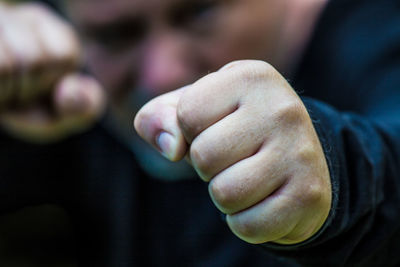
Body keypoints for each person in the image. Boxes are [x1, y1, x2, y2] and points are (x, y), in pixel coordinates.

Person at [0, 0, 399, 266]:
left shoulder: (378, 30)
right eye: (116, 35)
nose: (164, 73)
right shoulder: (61, 85)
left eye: (199, 12)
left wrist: (337, 170)